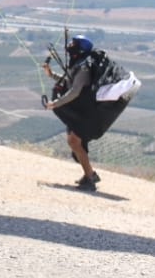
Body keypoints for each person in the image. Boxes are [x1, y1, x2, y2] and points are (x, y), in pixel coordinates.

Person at [42, 35, 139, 190]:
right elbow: (70, 82)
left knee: (74, 141)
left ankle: (90, 177)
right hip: (85, 107)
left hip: (88, 110)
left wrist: (55, 103)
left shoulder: (84, 66)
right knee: (74, 141)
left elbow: (75, 90)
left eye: (73, 43)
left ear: (79, 48)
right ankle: (90, 174)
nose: (69, 45)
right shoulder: (79, 63)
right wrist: (51, 74)